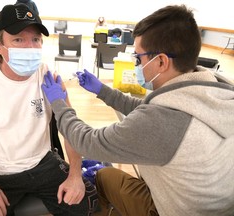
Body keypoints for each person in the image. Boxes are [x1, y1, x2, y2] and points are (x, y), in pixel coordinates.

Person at [41, 4, 234, 216]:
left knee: (104, 177)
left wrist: (59, 103)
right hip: (217, 204)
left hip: (178, 210)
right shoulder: (214, 88)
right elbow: (146, 109)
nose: (136, 65)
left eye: (139, 58)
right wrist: (102, 91)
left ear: (161, 61)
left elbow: (86, 141)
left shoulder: (160, 122)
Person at [0, 3, 97, 216]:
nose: (30, 48)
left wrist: (74, 175)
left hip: (42, 164)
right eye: (18, 40)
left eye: (35, 39)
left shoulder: (48, 76)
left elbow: (69, 128)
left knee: (85, 202)